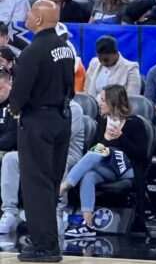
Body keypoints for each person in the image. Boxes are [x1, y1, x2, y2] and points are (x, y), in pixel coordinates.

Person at [8, 0, 75, 262]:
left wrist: (15, 108)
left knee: (35, 184)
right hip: (62, 118)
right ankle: (51, 242)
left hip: (38, 120)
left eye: (31, 12)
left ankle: (44, 247)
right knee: (50, 182)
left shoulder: (33, 50)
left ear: (38, 20)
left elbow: (21, 90)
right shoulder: (65, 48)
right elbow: (71, 87)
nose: (27, 15)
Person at [60, 84, 147, 239]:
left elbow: (142, 156)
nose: (99, 103)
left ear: (114, 102)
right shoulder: (102, 121)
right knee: (89, 175)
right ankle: (87, 224)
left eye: (103, 100)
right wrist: (106, 141)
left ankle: (65, 185)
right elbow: (91, 150)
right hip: (108, 168)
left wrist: (120, 137)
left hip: (128, 170)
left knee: (100, 150)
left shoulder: (135, 123)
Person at [83, 35, 141, 99]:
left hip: (118, 108)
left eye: (106, 60)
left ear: (115, 53)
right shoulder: (94, 63)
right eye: (100, 59)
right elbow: (86, 92)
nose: (102, 63)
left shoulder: (131, 68)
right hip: (94, 106)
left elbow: (132, 98)